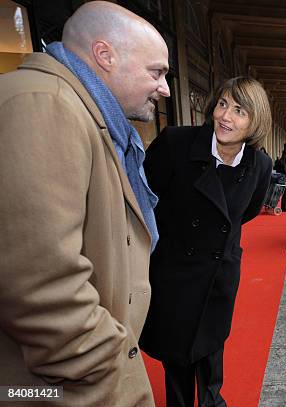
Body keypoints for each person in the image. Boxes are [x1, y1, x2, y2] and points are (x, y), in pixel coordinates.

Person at [0, 2, 169, 405]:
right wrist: (111, 374)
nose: (164, 88)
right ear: (105, 55)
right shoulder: (46, 105)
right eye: (156, 72)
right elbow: (41, 287)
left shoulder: (88, 114)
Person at [139, 77, 272, 407]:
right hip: (175, 273)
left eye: (240, 110)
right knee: (179, 358)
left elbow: (246, 212)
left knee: (212, 347)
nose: (226, 116)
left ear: (256, 121)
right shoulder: (175, 143)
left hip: (219, 273)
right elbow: (144, 198)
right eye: (223, 104)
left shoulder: (261, 165)